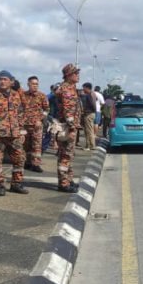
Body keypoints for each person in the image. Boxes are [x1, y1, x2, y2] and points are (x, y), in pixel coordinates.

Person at [0, 70, 28, 196]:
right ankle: (0, 185)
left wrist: (22, 131)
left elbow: (20, 113)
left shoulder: (16, 95)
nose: (2, 81)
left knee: (19, 158)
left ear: (11, 81)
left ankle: (16, 183)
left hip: (15, 134)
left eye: (5, 79)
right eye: (0, 79)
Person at [55, 63, 82, 192]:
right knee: (65, 156)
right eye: (75, 73)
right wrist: (72, 128)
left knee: (69, 155)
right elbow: (68, 112)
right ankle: (63, 183)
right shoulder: (66, 89)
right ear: (68, 75)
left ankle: (69, 179)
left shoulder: (71, 87)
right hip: (67, 127)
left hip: (70, 126)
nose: (78, 75)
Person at [22, 76, 50, 172]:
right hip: (25, 125)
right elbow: (19, 109)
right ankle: (28, 162)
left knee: (37, 145)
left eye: (36, 84)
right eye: (33, 84)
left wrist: (40, 119)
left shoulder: (42, 96)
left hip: (37, 125)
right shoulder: (23, 95)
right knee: (26, 145)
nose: (35, 86)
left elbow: (46, 110)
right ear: (28, 84)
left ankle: (36, 164)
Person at [81, 82, 97, 150]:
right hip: (91, 113)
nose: (83, 89)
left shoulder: (89, 95)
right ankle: (89, 145)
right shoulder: (92, 94)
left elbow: (92, 104)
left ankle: (90, 146)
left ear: (87, 88)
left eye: (83, 88)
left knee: (89, 131)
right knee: (89, 130)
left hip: (89, 114)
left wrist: (90, 111)